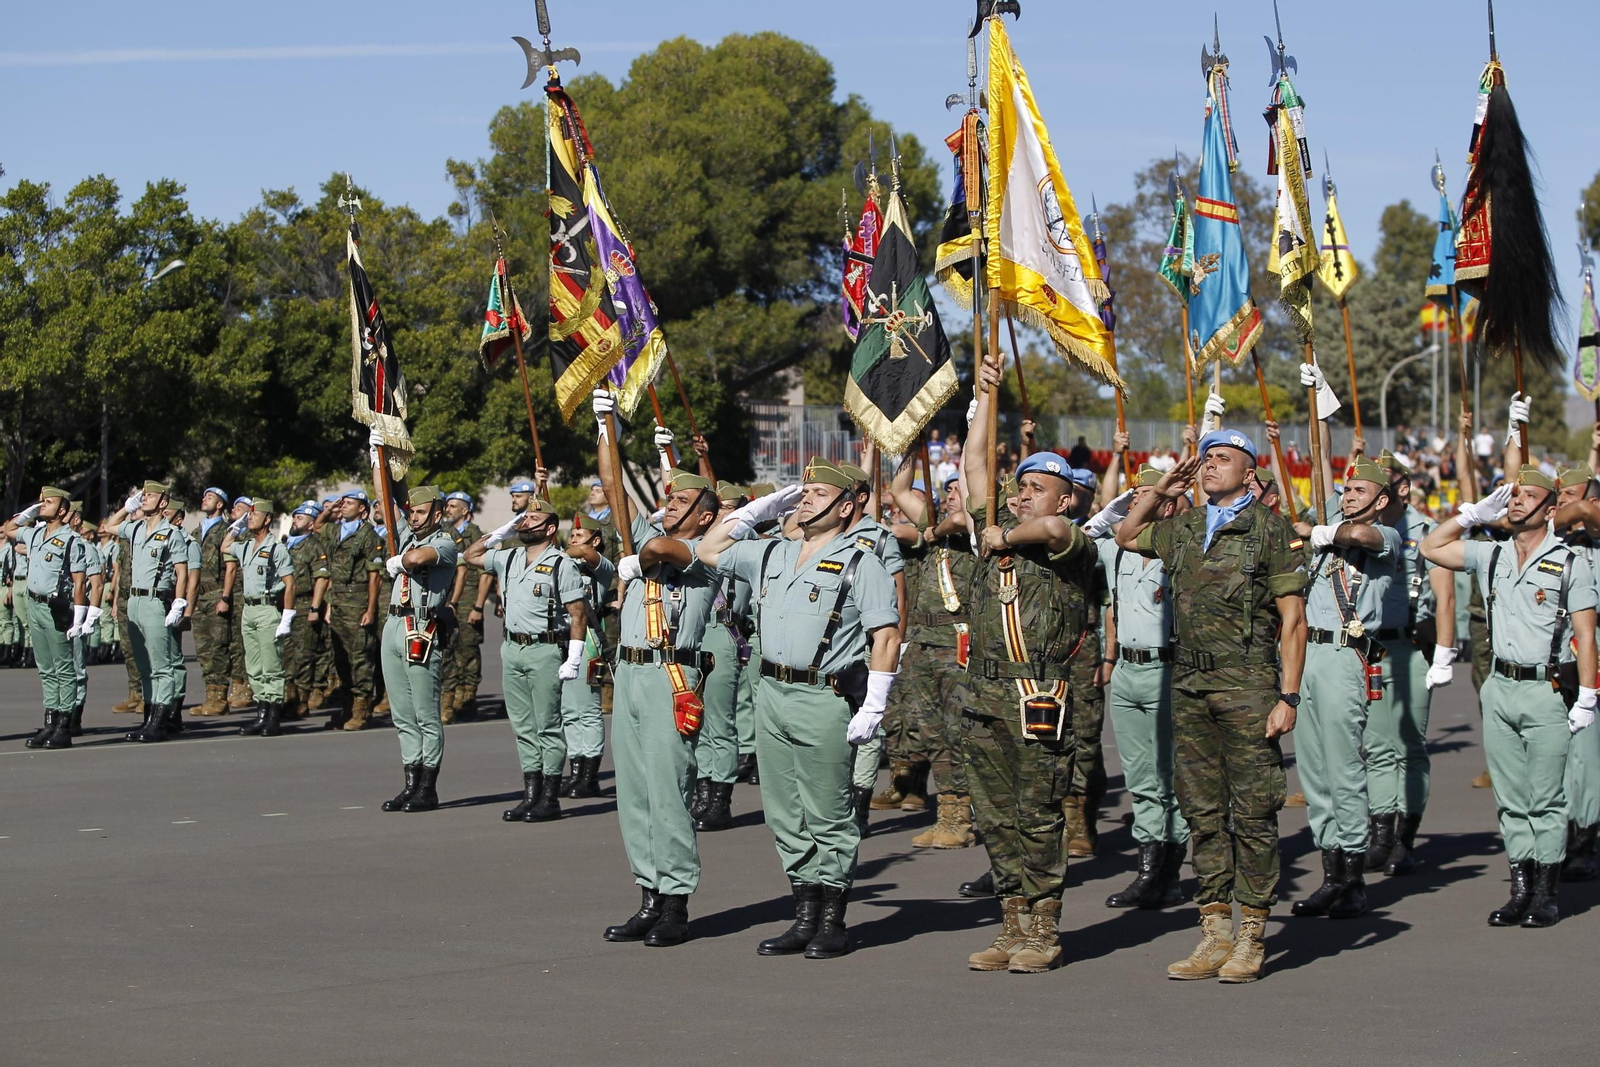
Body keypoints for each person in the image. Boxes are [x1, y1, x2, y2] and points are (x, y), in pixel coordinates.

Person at [1116, 429, 1308, 982]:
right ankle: (1214, 930)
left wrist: (1288, 697)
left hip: (1248, 687)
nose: (1209, 466)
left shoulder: (1271, 531)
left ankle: (1252, 931)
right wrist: (1159, 491)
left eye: (1222, 459)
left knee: (1252, 812)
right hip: (1191, 686)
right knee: (1202, 812)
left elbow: (1292, 620)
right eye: (1205, 459)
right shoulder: (1183, 527)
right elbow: (1128, 535)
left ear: (1250, 473)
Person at [697, 458, 899, 960]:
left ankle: (832, 918)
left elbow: (887, 634)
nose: (804, 498)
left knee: (828, 812)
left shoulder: (862, 560)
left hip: (821, 696)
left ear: (848, 505)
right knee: (783, 812)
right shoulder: (772, 553)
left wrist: (875, 704)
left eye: (818, 492)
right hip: (770, 693)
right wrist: (755, 512)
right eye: (803, 491)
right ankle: (804, 912)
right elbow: (707, 549)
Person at [1423, 467, 1598, 926]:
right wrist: (1469, 515)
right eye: (1514, 495)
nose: (1516, 502)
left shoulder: (1570, 563)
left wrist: (1588, 698)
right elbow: (1431, 547)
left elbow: (1586, 635)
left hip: (1546, 688)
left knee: (1546, 797)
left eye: (1529, 496)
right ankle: (1520, 888)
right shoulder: (1492, 555)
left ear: (1552, 510)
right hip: (1499, 686)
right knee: (1510, 796)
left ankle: (1545, 892)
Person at [592, 389, 719, 949]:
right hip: (631, 674)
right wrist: (605, 427)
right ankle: (647, 893)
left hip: (673, 678)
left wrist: (640, 555)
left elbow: (660, 554)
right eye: (668, 502)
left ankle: (676, 902)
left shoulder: (708, 552)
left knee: (669, 791)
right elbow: (615, 487)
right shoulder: (648, 535)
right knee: (635, 794)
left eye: (681, 502)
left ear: (706, 514)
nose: (669, 508)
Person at [1287, 456, 1400, 921]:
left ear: (1381, 500)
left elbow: (1360, 536)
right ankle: (1330, 874)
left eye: (1359, 491)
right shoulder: (1323, 536)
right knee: (1313, 772)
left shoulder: (1384, 536)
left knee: (1344, 769)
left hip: (1344, 656)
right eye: (1347, 490)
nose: (1350, 496)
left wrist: (1319, 532)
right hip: (1307, 653)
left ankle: (1353, 879)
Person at [1363, 450, 1458, 878]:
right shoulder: (1366, 531)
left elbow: (1446, 599)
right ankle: (1380, 834)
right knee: (1377, 747)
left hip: (1411, 648)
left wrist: (1444, 653)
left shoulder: (1427, 532)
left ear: (1402, 488)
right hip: (1371, 649)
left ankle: (1405, 838)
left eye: (1388, 481)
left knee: (1409, 746)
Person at [1097, 465, 1187, 908]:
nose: (1137, 505)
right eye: (1134, 499)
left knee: (1170, 776)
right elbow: (1078, 537)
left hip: (1167, 670)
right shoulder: (1116, 550)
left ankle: (1170, 872)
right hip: (1129, 673)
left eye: (1147, 498)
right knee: (1140, 778)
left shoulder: (1181, 548)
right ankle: (1148, 869)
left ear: (1167, 504)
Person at [466, 499, 587, 822]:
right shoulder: (509, 557)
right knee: (523, 726)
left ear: (549, 528)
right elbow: (471, 556)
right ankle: (530, 794)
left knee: (547, 724)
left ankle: (549, 797)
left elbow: (578, 614)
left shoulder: (562, 564)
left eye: (534, 518)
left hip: (544, 648)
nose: (525, 522)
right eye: (523, 517)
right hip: (512, 648)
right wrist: (499, 532)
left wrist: (574, 656)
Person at [884, 462, 979, 851]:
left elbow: (959, 519)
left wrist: (934, 530)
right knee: (930, 733)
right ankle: (948, 816)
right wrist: (910, 440)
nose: (951, 492)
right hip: (923, 642)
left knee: (958, 734)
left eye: (958, 487)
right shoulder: (932, 521)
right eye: (949, 488)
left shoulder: (972, 524)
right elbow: (898, 488)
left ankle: (962, 817)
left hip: (955, 642)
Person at [376, 486, 461, 813]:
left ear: (437, 515)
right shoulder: (405, 533)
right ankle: (410, 783)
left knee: (426, 713)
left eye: (421, 513)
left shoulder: (445, 541)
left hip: (421, 627)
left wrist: (400, 560)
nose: (413, 517)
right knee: (402, 714)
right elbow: (386, 499)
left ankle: (428, 787)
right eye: (411, 512)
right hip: (394, 625)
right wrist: (377, 455)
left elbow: (417, 558)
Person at [691, 482, 757, 832]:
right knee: (695, 721)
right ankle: (702, 790)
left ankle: (720, 799)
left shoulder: (747, 546)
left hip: (722, 630)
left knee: (720, 721)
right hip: (692, 633)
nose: (721, 513)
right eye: (717, 508)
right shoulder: (699, 543)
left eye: (729, 507)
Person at [104, 482, 191, 743]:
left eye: (150, 496)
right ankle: (149, 717)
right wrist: (124, 508)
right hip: (134, 601)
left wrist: (179, 602)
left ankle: (160, 720)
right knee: (143, 665)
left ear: (163, 502)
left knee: (161, 665)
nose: (144, 499)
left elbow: (182, 572)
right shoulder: (137, 529)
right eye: (142, 496)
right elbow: (108, 528)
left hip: (155, 601)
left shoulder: (171, 533)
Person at [3, 487, 89, 749]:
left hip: (56, 607)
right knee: (46, 669)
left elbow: (80, 581)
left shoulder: (71, 540)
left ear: (62, 510)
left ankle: (64, 725)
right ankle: (50, 721)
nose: (42, 505)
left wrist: (80, 614)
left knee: (64, 668)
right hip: (33, 603)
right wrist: (24, 516)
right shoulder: (37, 532)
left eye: (47, 502)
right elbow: (8, 530)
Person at [223, 499, 298, 737]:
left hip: (267, 609)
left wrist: (287, 615)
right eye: (249, 515)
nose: (250, 518)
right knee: (253, 666)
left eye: (254, 515)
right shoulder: (245, 546)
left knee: (271, 665)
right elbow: (225, 547)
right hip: (249, 609)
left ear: (267, 519)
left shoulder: (277, 548)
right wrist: (236, 528)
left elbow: (290, 584)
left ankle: (273, 716)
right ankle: (261, 714)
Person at [560, 512, 617, 799]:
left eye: (579, 535)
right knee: (569, 711)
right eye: (570, 534)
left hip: (588, 641)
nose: (573, 540)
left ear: (595, 540)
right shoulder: (564, 564)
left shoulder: (601, 566)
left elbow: (583, 552)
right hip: (563, 637)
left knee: (587, 709)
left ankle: (589, 775)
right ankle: (576, 770)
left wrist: (559, 553)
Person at [324, 489, 384, 731]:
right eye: (343, 502)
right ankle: (347, 707)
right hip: (338, 603)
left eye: (350, 503)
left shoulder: (367, 534)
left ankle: (361, 709)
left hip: (358, 603)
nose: (344, 506)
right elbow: (318, 526)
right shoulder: (337, 530)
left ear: (362, 509)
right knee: (342, 659)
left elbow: (375, 576)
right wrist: (329, 509)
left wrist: (371, 608)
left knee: (360, 657)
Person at [440, 491, 487, 722]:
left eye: (453, 506)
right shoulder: (445, 533)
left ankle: (468, 696)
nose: (448, 509)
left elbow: (486, 573)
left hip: (469, 594)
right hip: (448, 594)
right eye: (447, 505)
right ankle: (455, 692)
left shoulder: (476, 534)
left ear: (465, 510)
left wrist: (478, 606)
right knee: (449, 646)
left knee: (467, 648)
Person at [283, 502, 331, 719]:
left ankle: (301, 701)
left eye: (301, 517)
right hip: (284, 606)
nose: (296, 520)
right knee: (285, 655)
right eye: (295, 517)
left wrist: (315, 607)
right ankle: (287, 698)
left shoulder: (314, 546)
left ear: (312, 524)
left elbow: (321, 578)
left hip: (304, 604)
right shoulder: (286, 544)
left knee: (303, 655)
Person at [63, 502, 105, 737]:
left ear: (76, 520)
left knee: (76, 666)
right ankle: (58, 713)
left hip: (75, 611)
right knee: (57, 667)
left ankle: (74, 716)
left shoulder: (85, 548)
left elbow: (97, 584)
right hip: (56, 611)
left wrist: (90, 617)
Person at [191, 488, 234, 716]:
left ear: (220, 505)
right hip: (198, 597)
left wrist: (225, 596)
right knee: (203, 650)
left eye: (210, 497)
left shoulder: (227, 530)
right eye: (204, 496)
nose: (204, 499)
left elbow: (230, 567)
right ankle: (210, 695)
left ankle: (220, 697)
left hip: (216, 594)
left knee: (219, 648)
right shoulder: (197, 531)